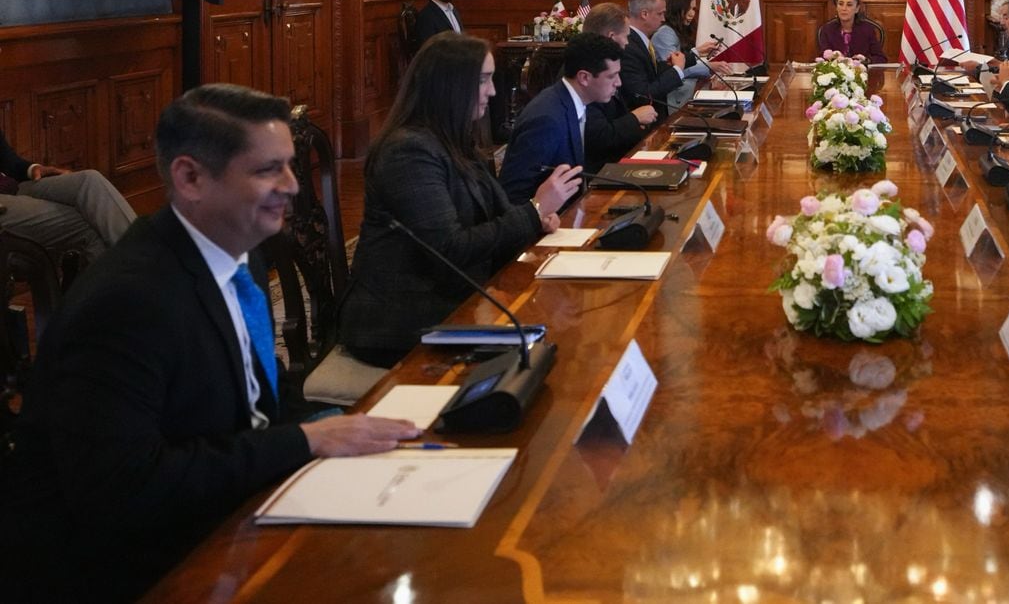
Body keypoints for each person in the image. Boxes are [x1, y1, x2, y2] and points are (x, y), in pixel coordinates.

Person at [1, 84, 421, 602]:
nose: (293, 185)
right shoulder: (128, 302)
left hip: (227, 516)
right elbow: (127, 490)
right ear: (190, 177)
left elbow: (256, 396)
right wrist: (305, 442)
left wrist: (338, 427)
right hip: (134, 569)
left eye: (291, 164)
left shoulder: (240, 250)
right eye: (269, 169)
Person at [340, 34, 582, 365]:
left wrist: (536, 220)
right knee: (551, 348)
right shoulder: (407, 151)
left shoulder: (453, 140)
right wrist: (534, 209)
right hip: (400, 320)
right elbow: (448, 249)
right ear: (450, 85)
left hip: (452, 298)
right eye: (483, 80)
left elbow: (492, 215)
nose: (493, 91)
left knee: (566, 323)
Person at [500, 32, 628, 196]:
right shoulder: (547, 120)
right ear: (584, 78)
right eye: (612, 76)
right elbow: (514, 193)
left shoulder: (572, 100)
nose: (619, 83)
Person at [0, 125, 135, 269]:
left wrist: (32, 168)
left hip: (14, 186)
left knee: (89, 180)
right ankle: (145, 278)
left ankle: (147, 262)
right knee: (89, 226)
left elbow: (8, 160)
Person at [580, 3, 661, 167]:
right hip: (601, 170)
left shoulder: (610, 63)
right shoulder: (588, 70)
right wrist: (634, 118)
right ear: (611, 37)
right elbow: (598, 136)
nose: (627, 43)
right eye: (626, 36)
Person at [654, 0, 734, 109]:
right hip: (675, 99)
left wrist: (701, 54)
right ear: (677, 8)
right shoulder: (665, 33)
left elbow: (684, 59)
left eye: (694, 9)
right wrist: (709, 67)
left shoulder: (680, 30)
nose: (692, 14)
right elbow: (676, 69)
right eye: (689, 9)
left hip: (689, 93)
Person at [619, 0, 695, 108]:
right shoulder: (628, 46)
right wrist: (677, 71)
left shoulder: (641, 40)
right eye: (660, 14)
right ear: (644, 14)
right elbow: (643, 94)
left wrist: (670, 65)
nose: (663, 19)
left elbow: (651, 72)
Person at [816, 0, 888, 63]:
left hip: (861, 72)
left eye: (849, 5)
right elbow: (823, 57)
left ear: (857, 8)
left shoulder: (867, 30)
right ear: (836, 7)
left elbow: (881, 58)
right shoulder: (827, 30)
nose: (844, 8)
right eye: (840, 4)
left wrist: (866, 60)